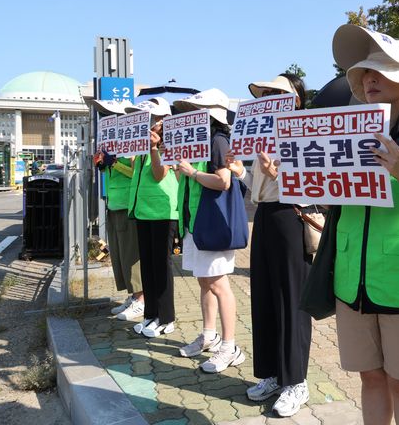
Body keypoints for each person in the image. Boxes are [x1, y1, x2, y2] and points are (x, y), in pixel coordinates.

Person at [330, 24, 399, 425]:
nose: (370, 78)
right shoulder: (345, 132)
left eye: (381, 71)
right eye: (365, 72)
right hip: (350, 278)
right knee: (370, 376)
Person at [225, 74, 312, 418]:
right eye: (265, 95)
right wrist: (241, 172)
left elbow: (317, 186)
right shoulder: (259, 137)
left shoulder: (306, 133)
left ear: (295, 100)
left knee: (292, 300)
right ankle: (273, 375)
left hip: (292, 219)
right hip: (264, 217)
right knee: (264, 296)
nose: (269, 99)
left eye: (277, 93)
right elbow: (256, 189)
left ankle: (297, 381)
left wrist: (278, 175)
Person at [171, 89, 245, 373]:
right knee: (204, 282)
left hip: (212, 225)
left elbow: (223, 181)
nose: (187, 115)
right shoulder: (198, 141)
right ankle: (209, 334)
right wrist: (182, 168)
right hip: (195, 223)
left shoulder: (217, 140)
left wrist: (190, 172)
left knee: (218, 284)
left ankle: (230, 346)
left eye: (192, 109)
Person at [127, 97, 180, 338]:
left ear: (162, 120)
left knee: (162, 266)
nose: (147, 123)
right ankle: (151, 315)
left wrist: (154, 148)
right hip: (143, 210)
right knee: (147, 265)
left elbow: (159, 175)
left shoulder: (170, 142)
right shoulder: (141, 143)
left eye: (151, 119)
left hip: (162, 212)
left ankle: (166, 318)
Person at [93, 99, 144, 321]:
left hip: (128, 205)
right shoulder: (108, 140)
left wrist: (115, 163)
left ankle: (142, 299)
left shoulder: (133, 140)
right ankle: (134, 296)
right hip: (113, 204)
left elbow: (137, 172)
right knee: (120, 254)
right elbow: (111, 172)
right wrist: (103, 165)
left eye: (109, 114)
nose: (105, 117)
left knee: (131, 254)